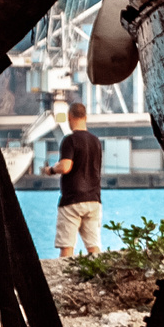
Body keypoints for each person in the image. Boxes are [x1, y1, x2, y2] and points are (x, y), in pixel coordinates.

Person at [46, 103, 104, 257]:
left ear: (69, 117)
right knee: (93, 247)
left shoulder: (69, 140)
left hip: (72, 200)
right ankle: (97, 276)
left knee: (66, 246)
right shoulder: (96, 141)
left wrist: (51, 170)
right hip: (93, 200)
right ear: (85, 117)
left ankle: (65, 279)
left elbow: (66, 166)